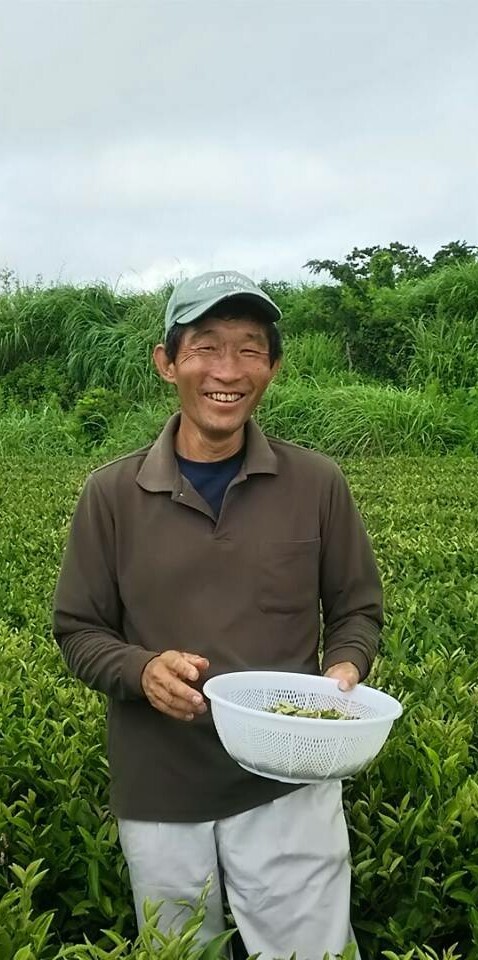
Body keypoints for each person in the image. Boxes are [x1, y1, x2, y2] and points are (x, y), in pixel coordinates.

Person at [52, 270, 383, 960]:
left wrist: (345, 668)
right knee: (180, 951)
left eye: (250, 349)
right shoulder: (111, 494)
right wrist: (140, 671)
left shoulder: (316, 483)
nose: (227, 371)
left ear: (274, 367)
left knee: (310, 953)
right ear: (166, 362)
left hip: (289, 781)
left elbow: (356, 607)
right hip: (159, 786)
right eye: (205, 347)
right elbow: (78, 629)